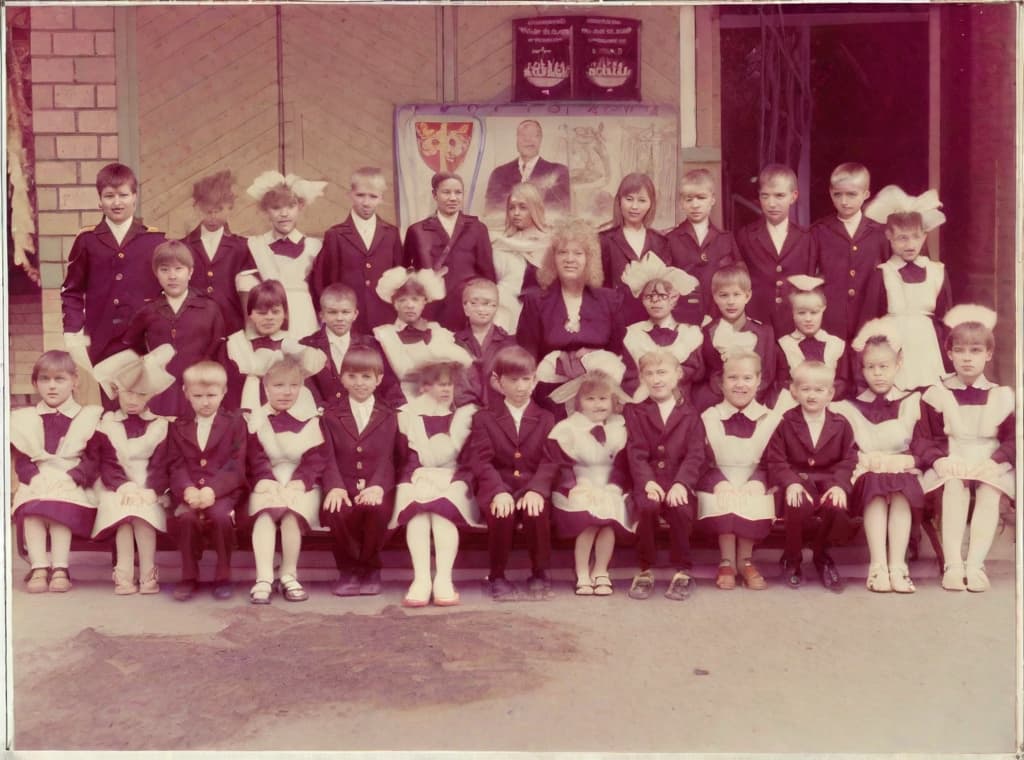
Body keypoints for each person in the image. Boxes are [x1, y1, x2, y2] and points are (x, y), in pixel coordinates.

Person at [913, 305, 1015, 592]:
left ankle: (976, 564)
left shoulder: (1000, 395)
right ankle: (953, 564)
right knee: (955, 485)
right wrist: (938, 460)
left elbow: (1012, 439)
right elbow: (923, 438)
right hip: (952, 458)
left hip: (988, 459)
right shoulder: (937, 393)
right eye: (960, 351)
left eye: (975, 351)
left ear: (988, 354)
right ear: (949, 354)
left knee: (990, 489)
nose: (967, 358)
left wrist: (997, 461)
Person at [830, 318, 924, 593]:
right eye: (871, 367)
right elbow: (847, 449)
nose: (878, 374)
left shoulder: (911, 402)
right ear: (862, 369)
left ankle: (898, 565)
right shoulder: (850, 407)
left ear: (898, 364)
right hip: (867, 472)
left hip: (901, 470)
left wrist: (910, 460)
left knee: (901, 488)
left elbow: (922, 443)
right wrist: (864, 460)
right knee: (874, 485)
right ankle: (878, 566)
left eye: (884, 366)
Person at [60, 163, 165, 397]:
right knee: (104, 404)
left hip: (142, 339)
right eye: (109, 196)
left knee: (141, 400)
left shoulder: (154, 240)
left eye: (123, 195)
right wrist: (73, 332)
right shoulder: (87, 240)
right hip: (100, 337)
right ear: (99, 200)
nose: (117, 203)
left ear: (135, 198)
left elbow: (164, 290)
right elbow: (72, 291)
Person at [465, 346, 558, 601]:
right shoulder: (484, 418)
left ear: (535, 380)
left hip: (531, 484)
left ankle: (539, 574)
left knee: (535, 510)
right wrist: (497, 492)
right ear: (498, 382)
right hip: (499, 484)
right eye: (513, 380)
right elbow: (481, 461)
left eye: (526, 379)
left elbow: (550, 461)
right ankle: (497, 576)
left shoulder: (547, 418)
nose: (520, 387)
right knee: (501, 512)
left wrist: (537, 490)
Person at [697, 351, 794, 590]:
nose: (740, 384)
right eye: (733, 378)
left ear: (759, 380)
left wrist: (759, 481)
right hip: (717, 479)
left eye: (747, 378)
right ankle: (727, 560)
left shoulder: (769, 419)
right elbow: (699, 459)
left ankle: (746, 559)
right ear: (722, 382)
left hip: (755, 480)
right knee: (726, 498)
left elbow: (775, 459)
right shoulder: (709, 417)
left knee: (753, 498)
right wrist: (717, 481)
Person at [390, 353, 480, 607]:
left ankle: (443, 579)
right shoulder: (408, 417)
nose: (446, 390)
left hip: (455, 482)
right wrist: (414, 479)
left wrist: (453, 481)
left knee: (441, 512)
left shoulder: (465, 416)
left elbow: (471, 460)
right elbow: (404, 457)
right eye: (439, 384)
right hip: (419, 478)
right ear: (424, 388)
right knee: (418, 512)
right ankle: (421, 579)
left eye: (449, 384)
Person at [540, 354, 633, 597]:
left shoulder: (620, 428)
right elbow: (558, 463)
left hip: (608, 484)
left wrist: (614, 486)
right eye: (590, 399)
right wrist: (576, 483)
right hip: (576, 485)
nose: (597, 404)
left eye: (603, 399)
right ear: (579, 402)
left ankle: (600, 570)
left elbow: (624, 466)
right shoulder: (567, 429)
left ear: (613, 401)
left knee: (609, 516)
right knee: (590, 519)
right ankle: (581, 570)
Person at [11, 351, 103, 593]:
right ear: (35, 383)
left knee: (59, 508)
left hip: (72, 482)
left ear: (74, 381)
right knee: (32, 509)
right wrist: (33, 478)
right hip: (38, 480)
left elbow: (94, 458)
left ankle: (61, 567)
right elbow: (21, 459)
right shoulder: (24, 418)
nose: (51, 386)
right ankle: (39, 566)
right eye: (44, 379)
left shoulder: (88, 416)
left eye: (59, 379)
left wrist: (74, 478)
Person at [762, 360, 857, 592]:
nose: (812, 395)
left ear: (830, 393)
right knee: (796, 503)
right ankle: (792, 558)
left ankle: (821, 555)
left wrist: (839, 485)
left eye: (819, 390)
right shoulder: (785, 423)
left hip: (828, 482)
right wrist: (791, 482)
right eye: (805, 389)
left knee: (835, 506)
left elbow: (849, 459)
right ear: (794, 392)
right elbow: (776, 460)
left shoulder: (841, 424)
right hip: (798, 481)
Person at [516, 218, 625, 417]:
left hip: (599, 398)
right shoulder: (536, 301)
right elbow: (527, 357)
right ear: (552, 258)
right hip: (549, 401)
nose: (569, 259)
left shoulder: (609, 300)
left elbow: (618, 352)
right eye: (562, 252)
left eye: (578, 253)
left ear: (589, 259)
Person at [90, 346, 174, 595]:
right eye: (127, 392)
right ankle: (123, 573)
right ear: (117, 392)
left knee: (143, 513)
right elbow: (106, 462)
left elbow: (161, 463)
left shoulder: (159, 425)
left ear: (149, 396)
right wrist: (124, 485)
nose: (133, 400)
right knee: (124, 516)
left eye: (140, 394)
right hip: (116, 484)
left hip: (149, 484)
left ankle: (148, 572)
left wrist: (152, 489)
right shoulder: (107, 424)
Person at [623, 350, 705, 601]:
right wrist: (646, 481)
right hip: (648, 483)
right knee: (647, 508)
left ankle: (683, 569)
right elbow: (635, 452)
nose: (656, 380)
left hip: (678, 481)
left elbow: (695, 454)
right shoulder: (635, 411)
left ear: (678, 374)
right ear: (641, 378)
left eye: (662, 372)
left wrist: (682, 483)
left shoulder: (691, 414)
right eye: (649, 374)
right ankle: (645, 568)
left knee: (680, 509)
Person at [246, 356, 328, 604]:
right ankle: (263, 576)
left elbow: (316, 459)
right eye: (279, 386)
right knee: (265, 512)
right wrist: (264, 479)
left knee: (292, 512)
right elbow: (253, 455)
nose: (286, 392)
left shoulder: (312, 420)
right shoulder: (255, 419)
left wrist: (301, 481)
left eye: (293, 385)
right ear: (266, 388)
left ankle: (289, 573)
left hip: (301, 482)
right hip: (267, 480)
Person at [319, 345, 398, 597]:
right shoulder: (330, 415)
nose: (359, 383)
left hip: (378, 485)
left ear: (379, 379)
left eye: (366, 377)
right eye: (352, 376)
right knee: (337, 510)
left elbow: (390, 456)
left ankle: (371, 567)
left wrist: (378, 486)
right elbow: (327, 455)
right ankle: (349, 569)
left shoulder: (390, 414)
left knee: (378, 510)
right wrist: (335, 486)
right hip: (343, 483)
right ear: (342, 378)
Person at [166, 361, 247, 601]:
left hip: (222, 491)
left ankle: (223, 573)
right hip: (190, 490)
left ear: (223, 392)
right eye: (198, 395)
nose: (205, 402)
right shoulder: (178, 426)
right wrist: (187, 488)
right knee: (186, 517)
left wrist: (213, 489)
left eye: (211, 395)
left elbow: (236, 464)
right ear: (186, 393)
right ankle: (189, 574)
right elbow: (176, 463)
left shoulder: (234, 424)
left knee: (221, 516)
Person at [120, 239, 226, 417]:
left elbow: (218, 352)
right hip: (160, 396)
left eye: (179, 269)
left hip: (198, 394)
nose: (172, 276)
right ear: (156, 273)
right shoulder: (148, 310)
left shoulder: (209, 308)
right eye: (165, 270)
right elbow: (134, 348)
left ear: (190, 272)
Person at [864, 185, 952, 391]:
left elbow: (944, 316)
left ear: (924, 236)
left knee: (928, 393)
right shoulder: (884, 272)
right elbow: (871, 318)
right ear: (889, 236)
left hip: (927, 344)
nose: (910, 244)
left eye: (916, 237)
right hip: (894, 344)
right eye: (902, 238)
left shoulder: (936, 271)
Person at [310, 167, 404, 334]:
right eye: (360, 195)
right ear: (350, 194)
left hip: (384, 318)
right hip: (346, 321)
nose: (366, 202)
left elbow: (400, 277)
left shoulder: (391, 233)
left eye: (373, 196)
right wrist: (332, 314)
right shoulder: (336, 235)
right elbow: (322, 281)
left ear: (381, 198)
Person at [236, 171, 327, 339]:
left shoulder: (315, 247)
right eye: (276, 208)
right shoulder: (255, 245)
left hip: (304, 319)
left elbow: (321, 292)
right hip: (268, 321)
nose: (284, 214)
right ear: (265, 211)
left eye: (290, 207)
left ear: (300, 207)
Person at [404, 172, 496, 331]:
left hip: (466, 310)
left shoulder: (477, 228)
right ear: (434, 194)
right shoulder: (417, 231)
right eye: (446, 192)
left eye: (458, 192)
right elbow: (406, 275)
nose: (453, 198)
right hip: (431, 310)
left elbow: (488, 275)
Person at [736, 164, 817, 336]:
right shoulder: (745, 235)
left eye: (779, 196)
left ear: (793, 196)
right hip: (756, 321)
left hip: (795, 324)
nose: (772, 203)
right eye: (765, 196)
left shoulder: (807, 237)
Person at [221, 279, 326, 413]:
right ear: (250, 314)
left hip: (288, 411)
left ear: (285, 314)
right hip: (250, 405)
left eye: (275, 312)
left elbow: (310, 368)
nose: (269, 318)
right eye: (262, 313)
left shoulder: (293, 344)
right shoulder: (239, 345)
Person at [810, 162, 887, 341]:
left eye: (852, 194)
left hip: (870, 320)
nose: (844, 201)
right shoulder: (818, 231)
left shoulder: (880, 233)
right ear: (830, 193)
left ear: (866, 194)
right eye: (838, 194)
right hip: (831, 322)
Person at [372, 266, 468, 404]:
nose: (409, 305)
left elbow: (459, 374)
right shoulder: (384, 336)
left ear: (425, 301)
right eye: (402, 300)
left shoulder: (438, 333)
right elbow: (385, 382)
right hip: (401, 407)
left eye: (415, 299)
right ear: (394, 303)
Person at [692, 264, 781, 411]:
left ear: (747, 296)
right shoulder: (707, 332)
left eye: (736, 294)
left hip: (755, 404)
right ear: (715, 297)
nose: (731, 302)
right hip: (716, 404)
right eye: (724, 295)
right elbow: (703, 374)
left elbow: (768, 375)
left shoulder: (765, 332)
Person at [300, 283, 397, 414]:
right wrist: (319, 407)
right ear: (322, 315)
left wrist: (398, 409)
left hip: (365, 413)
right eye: (332, 312)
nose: (339, 318)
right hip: (323, 415)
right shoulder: (307, 344)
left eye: (345, 312)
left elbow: (388, 383)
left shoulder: (370, 344)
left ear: (355, 314)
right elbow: (306, 384)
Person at [618, 256, 703, 400]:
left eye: (662, 296)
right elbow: (629, 376)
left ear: (673, 299)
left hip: (681, 399)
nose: (655, 301)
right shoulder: (632, 334)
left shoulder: (689, 334)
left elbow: (695, 372)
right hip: (643, 401)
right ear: (642, 300)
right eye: (649, 296)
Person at [664, 168, 740, 325]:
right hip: (682, 321)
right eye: (689, 199)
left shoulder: (726, 239)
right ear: (681, 203)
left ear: (712, 199)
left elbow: (737, 281)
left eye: (701, 197)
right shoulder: (670, 240)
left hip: (720, 319)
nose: (695, 205)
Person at [182, 169, 253, 335]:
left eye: (219, 210)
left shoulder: (242, 247)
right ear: (197, 208)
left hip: (231, 325)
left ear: (230, 208)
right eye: (207, 211)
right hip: (194, 325)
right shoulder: (184, 246)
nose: (212, 216)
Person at [599, 173, 671, 326]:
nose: (634, 207)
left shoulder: (661, 242)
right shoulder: (604, 240)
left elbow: (667, 285)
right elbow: (599, 288)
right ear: (619, 201)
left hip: (653, 322)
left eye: (642, 200)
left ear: (651, 204)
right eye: (629, 199)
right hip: (617, 321)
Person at [776, 275, 851, 400]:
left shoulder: (836, 344)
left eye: (814, 312)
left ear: (823, 309)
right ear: (792, 312)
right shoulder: (784, 344)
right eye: (801, 313)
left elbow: (843, 383)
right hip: (794, 404)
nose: (808, 319)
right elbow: (782, 383)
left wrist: (822, 399)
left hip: (831, 404)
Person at [489, 182, 550, 332]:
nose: (516, 213)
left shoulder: (549, 244)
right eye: (512, 208)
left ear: (534, 209)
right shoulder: (500, 244)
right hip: (502, 310)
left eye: (522, 207)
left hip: (536, 312)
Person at [484, 119, 570, 216]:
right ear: (517, 140)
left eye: (534, 135)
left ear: (540, 139)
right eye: (523, 135)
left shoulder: (558, 172)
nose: (528, 139)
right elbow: (490, 212)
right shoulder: (499, 173)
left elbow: (561, 212)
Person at [454, 278, 516, 408]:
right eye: (474, 303)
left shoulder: (510, 344)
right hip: (465, 411)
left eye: (489, 304)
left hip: (501, 411)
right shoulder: (454, 343)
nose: (482, 309)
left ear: (497, 307)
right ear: (465, 307)